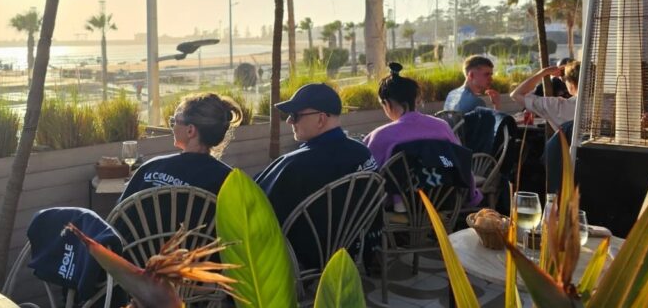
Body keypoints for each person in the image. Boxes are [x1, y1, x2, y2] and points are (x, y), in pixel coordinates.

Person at [255, 83, 377, 271]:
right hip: (353, 246)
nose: (289, 121)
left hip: (306, 255)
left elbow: (257, 205)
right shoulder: (363, 152)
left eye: (295, 115)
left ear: (320, 119)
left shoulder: (296, 164)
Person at [364, 63, 483, 205]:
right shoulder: (441, 126)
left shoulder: (380, 136)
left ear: (387, 104)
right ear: (416, 100)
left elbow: (368, 179)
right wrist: (472, 195)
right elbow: (459, 162)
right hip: (443, 203)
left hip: (402, 210)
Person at [120, 92, 242, 201]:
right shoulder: (228, 180)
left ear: (190, 131)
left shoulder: (152, 167)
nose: (173, 127)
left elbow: (118, 218)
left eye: (175, 121)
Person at [509, 61, 580, 133]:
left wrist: (544, 72)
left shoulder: (556, 106)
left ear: (572, 85)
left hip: (571, 144)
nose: (563, 82)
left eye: (565, 80)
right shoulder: (591, 106)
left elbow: (516, 94)